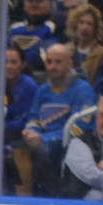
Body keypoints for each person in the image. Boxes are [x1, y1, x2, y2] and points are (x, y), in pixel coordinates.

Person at [20, 42, 96, 195]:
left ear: (70, 63)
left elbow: (80, 127)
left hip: (72, 145)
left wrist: (43, 139)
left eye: (58, 62)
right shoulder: (42, 90)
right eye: (49, 61)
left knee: (43, 152)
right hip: (42, 141)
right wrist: (31, 132)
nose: (52, 66)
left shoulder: (83, 89)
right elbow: (34, 118)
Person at [9, 0, 61, 73]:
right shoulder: (14, 27)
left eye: (39, 0)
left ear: (49, 3)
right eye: (30, 0)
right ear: (24, 3)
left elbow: (45, 59)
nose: (34, 4)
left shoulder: (55, 27)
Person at [66, 3, 103, 86]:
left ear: (95, 28)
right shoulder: (65, 50)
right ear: (75, 25)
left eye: (89, 24)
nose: (85, 28)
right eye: (81, 22)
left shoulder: (102, 54)